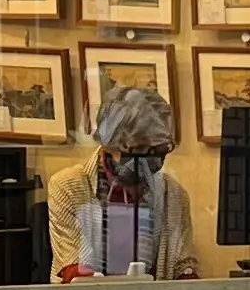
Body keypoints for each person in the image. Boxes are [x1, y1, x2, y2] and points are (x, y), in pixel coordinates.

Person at [49, 86, 200, 278]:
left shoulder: (174, 194)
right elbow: (72, 266)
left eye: (157, 150)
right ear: (108, 144)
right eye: (139, 148)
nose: (149, 161)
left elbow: (182, 264)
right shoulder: (68, 186)